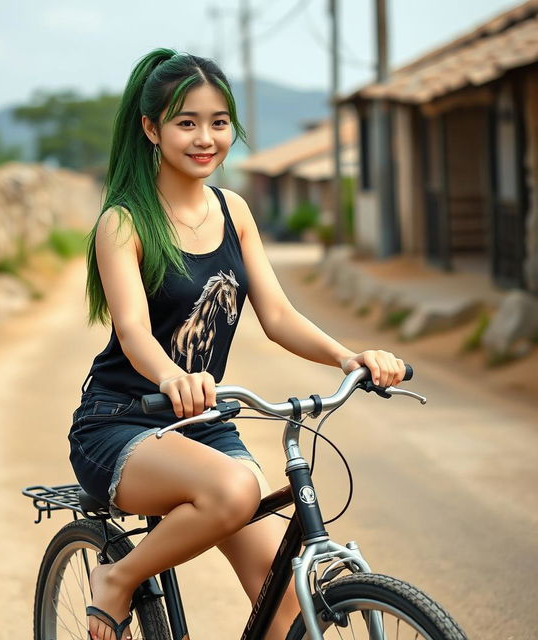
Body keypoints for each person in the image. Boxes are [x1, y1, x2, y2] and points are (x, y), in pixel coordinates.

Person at [69, 47, 407, 640]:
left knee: (289, 612)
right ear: (151, 128)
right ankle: (118, 580)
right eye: (186, 122)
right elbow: (133, 332)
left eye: (219, 122)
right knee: (235, 486)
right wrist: (173, 376)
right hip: (123, 420)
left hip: (205, 421)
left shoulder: (236, 210)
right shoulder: (123, 221)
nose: (205, 138)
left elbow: (276, 315)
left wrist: (348, 357)